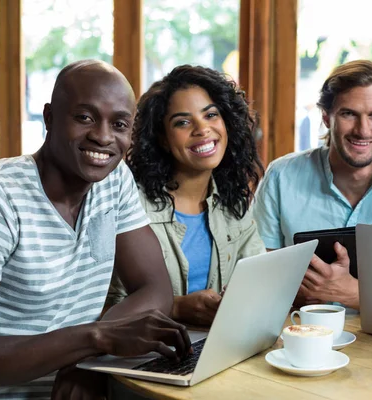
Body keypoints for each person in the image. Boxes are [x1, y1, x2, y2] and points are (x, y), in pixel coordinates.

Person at [0, 60, 192, 399]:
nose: (102, 136)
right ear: (49, 117)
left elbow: (155, 287)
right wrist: (94, 340)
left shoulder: (114, 181)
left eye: (119, 124)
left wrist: (87, 356)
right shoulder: (1, 197)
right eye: (84, 117)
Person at [253, 60, 372, 310]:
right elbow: (260, 276)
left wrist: (351, 293)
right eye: (348, 114)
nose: (362, 130)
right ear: (326, 117)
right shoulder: (281, 176)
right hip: (301, 331)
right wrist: (298, 292)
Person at [106, 65, 265, 326]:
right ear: (164, 139)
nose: (202, 129)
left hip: (218, 344)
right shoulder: (130, 205)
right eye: (183, 122)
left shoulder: (232, 202)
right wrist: (175, 307)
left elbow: (261, 277)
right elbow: (104, 310)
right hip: (148, 353)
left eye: (211, 115)